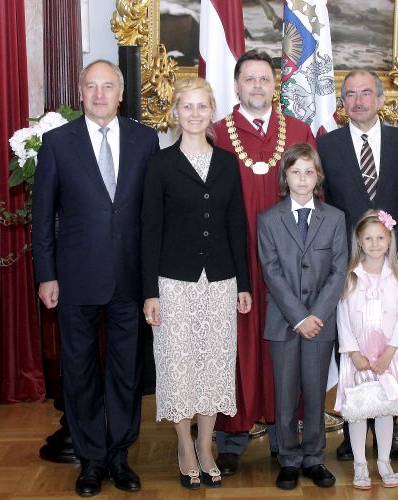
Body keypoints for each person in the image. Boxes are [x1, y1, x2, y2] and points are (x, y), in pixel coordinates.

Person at [32, 59, 160, 496]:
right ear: (81, 92)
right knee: (80, 371)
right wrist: (46, 275)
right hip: (75, 278)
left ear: (121, 94)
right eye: (92, 86)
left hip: (129, 277)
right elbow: (42, 217)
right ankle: (90, 460)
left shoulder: (145, 140)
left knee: (126, 372)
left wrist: (153, 283)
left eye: (108, 86)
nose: (100, 94)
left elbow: (152, 216)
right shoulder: (57, 143)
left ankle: (119, 456)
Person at [141, 78, 251, 490]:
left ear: (212, 112)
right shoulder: (160, 164)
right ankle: (184, 446)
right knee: (179, 364)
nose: (194, 113)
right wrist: (149, 292)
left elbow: (236, 225)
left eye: (201, 106)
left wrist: (243, 283)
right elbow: (150, 230)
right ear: (175, 112)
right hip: (173, 284)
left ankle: (206, 444)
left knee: (213, 364)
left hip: (220, 282)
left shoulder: (227, 163)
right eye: (187, 106)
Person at [211, 49, 317, 475]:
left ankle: (283, 436)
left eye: (265, 79)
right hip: (233, 261)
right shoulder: (216, 133)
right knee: (233, 346)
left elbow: (317, 200)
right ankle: (231, 437)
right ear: (236, 85)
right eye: (249, 78)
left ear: (276, 85)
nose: (257, 85)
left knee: (284, 346)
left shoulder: (299, 131)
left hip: (288, 265)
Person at [317, 69, 398, 462]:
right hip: (348, 263)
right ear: (343, 102)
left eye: (366, 93)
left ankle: (390, 433)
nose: (358, 101)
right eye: (351, 94)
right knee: (352, 345)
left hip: (392, 260)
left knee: (389, 346)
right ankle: (353, 429)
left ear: (381, 99)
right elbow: (322, 201)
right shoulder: (327, 145)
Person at [257, 143, 348, 489]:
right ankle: (288, 458)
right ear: (285, 177)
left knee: (314, 392)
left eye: (309, 172)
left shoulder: (335, 218)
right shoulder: (268, 220)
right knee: (285, 395)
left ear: (318, 177)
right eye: (295, 172)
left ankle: (314, 457)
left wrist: (317, 315)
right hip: (285, 322)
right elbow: (272, 272)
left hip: (320, 324)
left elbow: (338, 271)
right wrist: (299, 317)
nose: (302, 178)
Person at [334, 209, 398, 490]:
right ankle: (359, 464)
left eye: (380, 237)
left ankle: (383, 461)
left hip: (387, 357)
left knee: (384, 410)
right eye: (368, 238)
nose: (375, 243)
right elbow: (342, 318)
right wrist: (354, 353)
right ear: (358, 241)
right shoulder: (350, 276)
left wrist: (390, 353)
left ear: (389, 239)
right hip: (358, 357)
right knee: (358, 410)